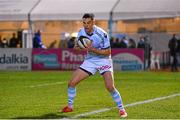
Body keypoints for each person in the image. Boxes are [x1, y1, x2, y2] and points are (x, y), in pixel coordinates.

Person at [61, 13, 127, 118]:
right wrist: (81, 47)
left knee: (110, 87)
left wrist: (93, 49)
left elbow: (108, 52)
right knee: (71, 83)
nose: (86, 25)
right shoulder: (81, 32)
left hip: (104, 60)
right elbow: (76, 48)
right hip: (90, 60)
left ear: (93, 22)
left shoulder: (102, 34)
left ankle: (122, 109)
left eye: (88, 22)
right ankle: (70, 106)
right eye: (84, 23)